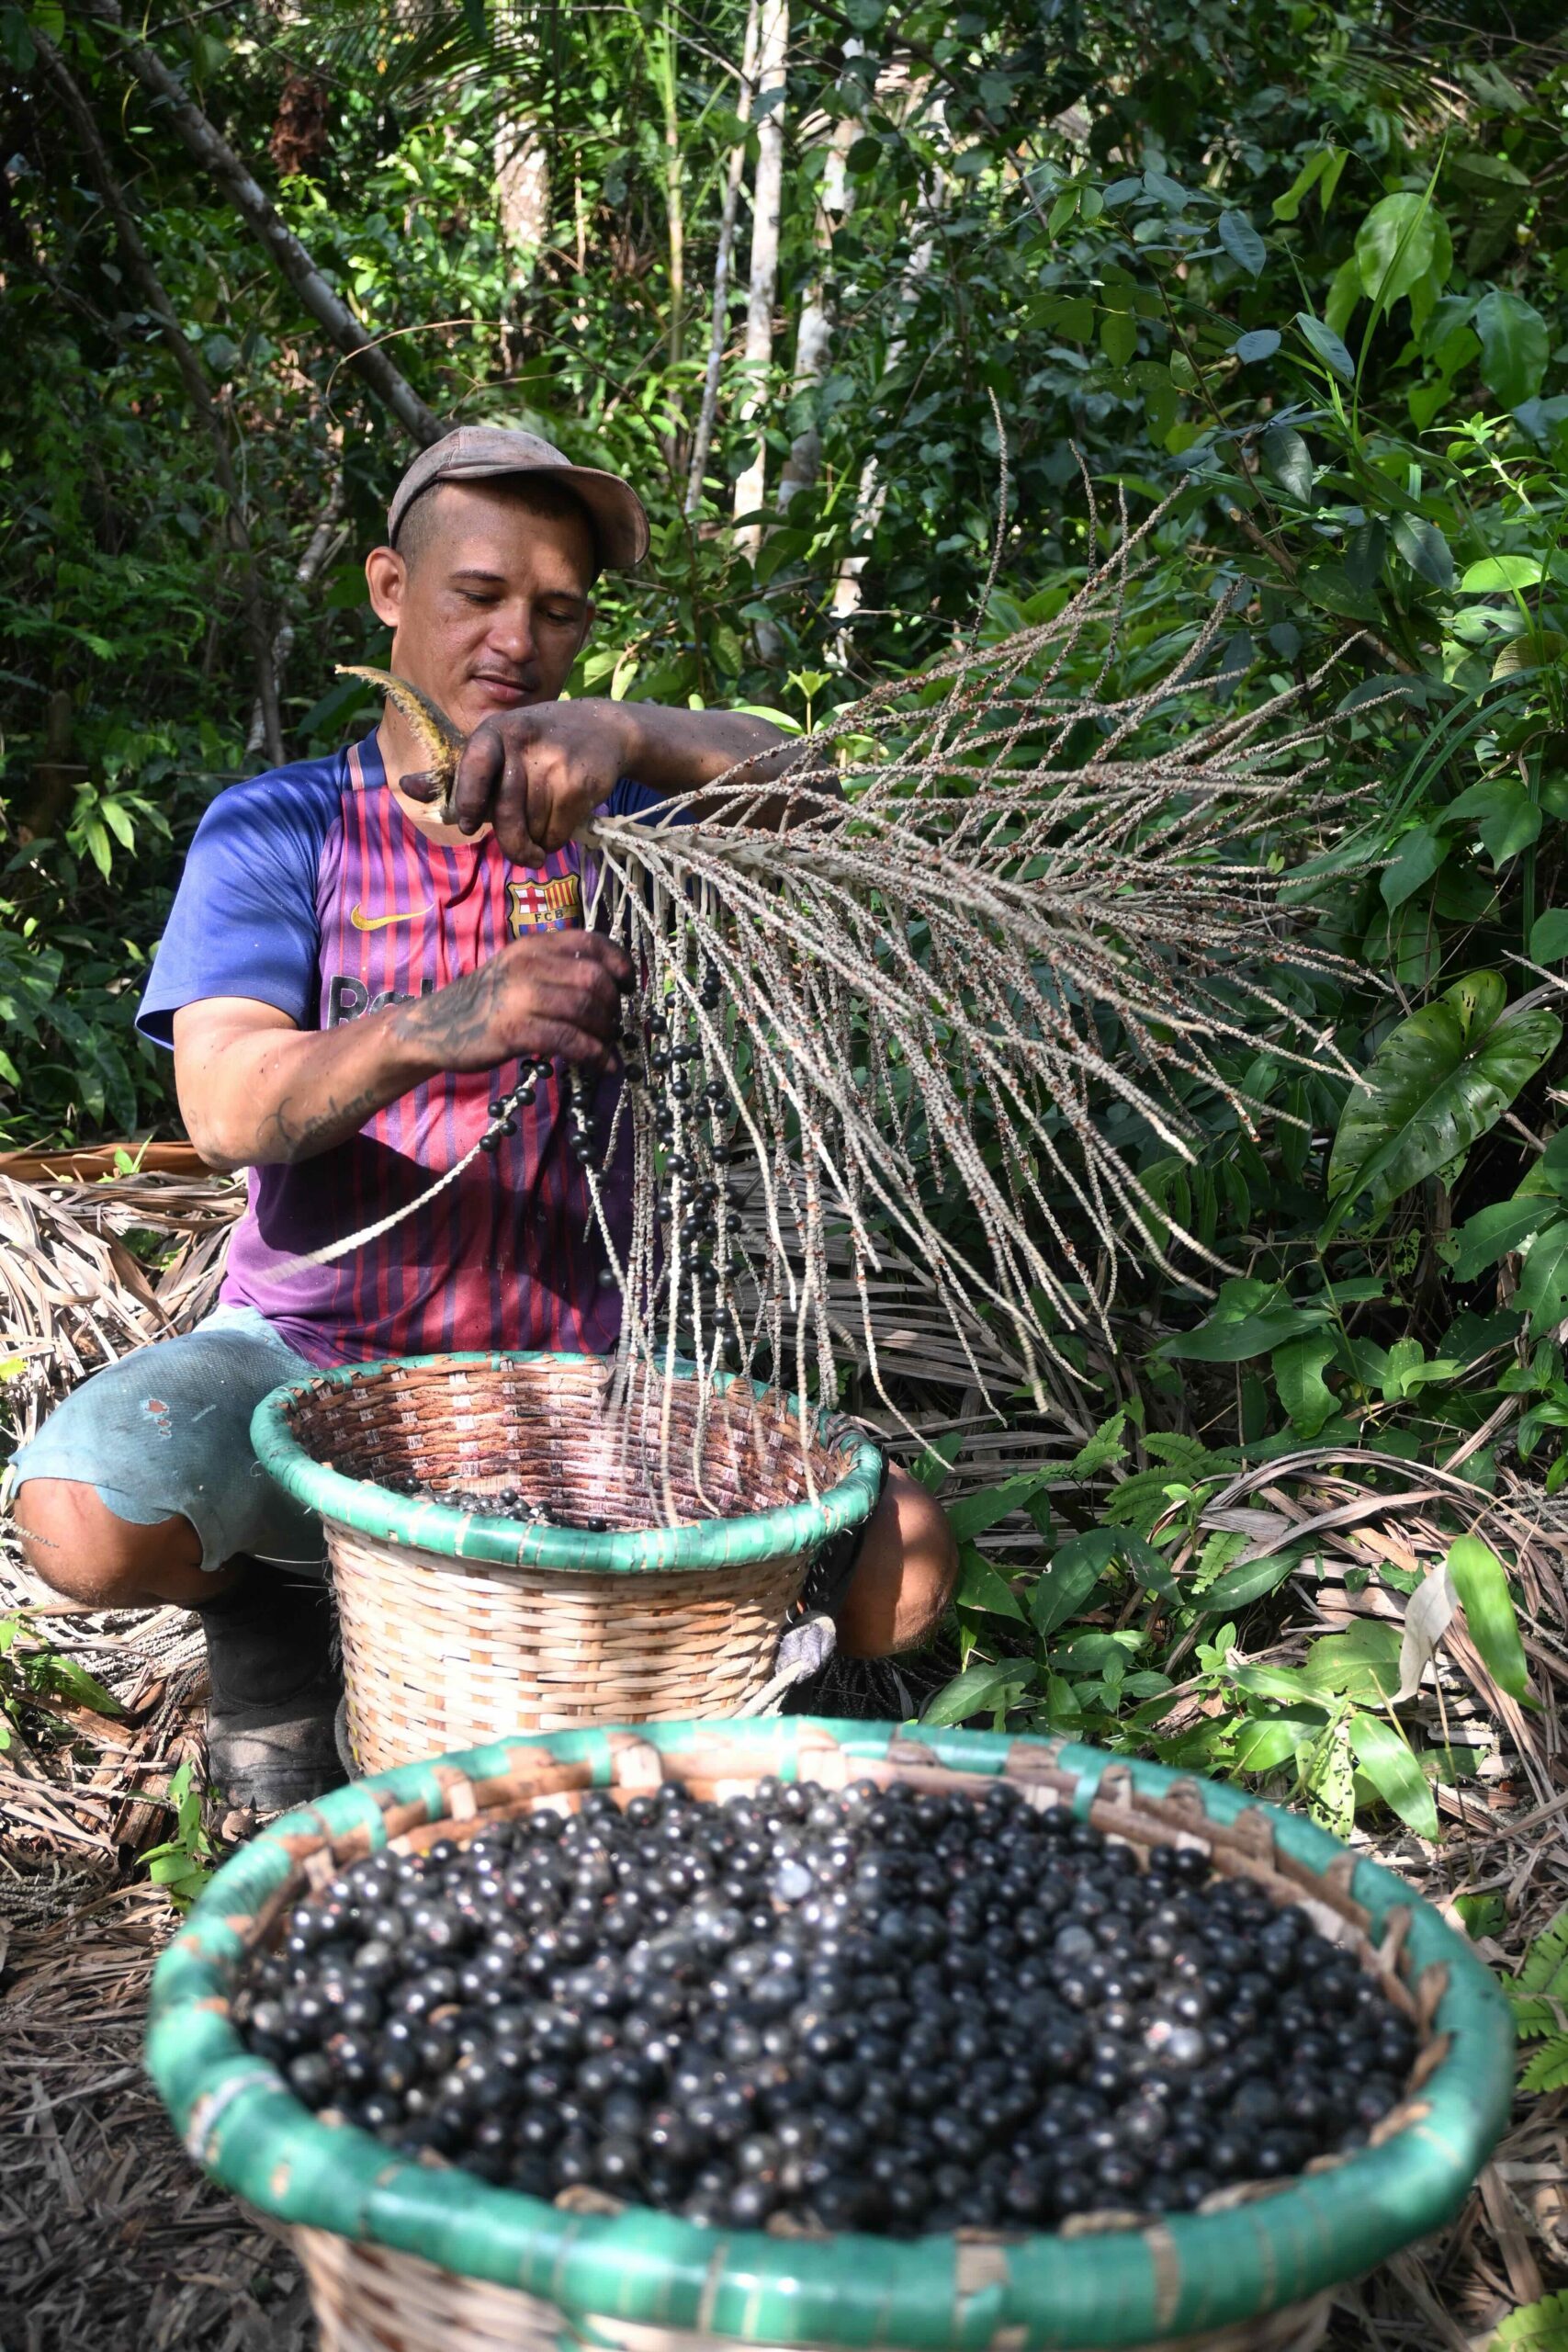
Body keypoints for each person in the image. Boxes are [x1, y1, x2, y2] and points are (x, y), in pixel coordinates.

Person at [9, 426, 956, 1812]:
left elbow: (811, 784)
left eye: (559, 610)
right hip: (313, 1368)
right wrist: (455, 1019)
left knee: (911, 1570)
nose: (518, 635)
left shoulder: (625, 817)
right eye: (478, 593)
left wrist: (631, 734)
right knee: (85, 1516)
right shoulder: (279, 831)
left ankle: (626, 1659)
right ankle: (283, 1621)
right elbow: (226, 1106)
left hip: (585, 1387)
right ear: (391, 588)